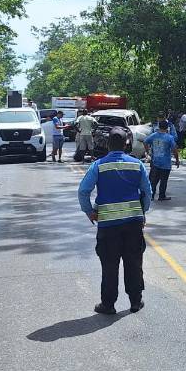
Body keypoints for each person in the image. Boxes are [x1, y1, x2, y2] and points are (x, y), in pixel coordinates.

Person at [77, 128, 151, 315]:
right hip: (133, 223)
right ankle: (135, 301)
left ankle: (108, 305)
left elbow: (83, 191)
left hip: (108, 225)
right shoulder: (137, 165)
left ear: (108, 144)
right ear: (126, 144)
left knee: (109, 265)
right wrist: (142, 212)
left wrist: (89, 212)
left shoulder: (98, 166)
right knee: (134, 262)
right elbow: (147, 192)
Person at [144, 120, 179, 201]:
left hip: (155, 162)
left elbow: (145, 142)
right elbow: (175, 150)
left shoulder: (153, 136)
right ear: (167, 128)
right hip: (166, 163)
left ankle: (151, 195)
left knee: (154, 180)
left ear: (159, 126)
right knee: (164, 180)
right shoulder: (169, 137)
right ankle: (161, 195)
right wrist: (177, 160)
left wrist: (148, 152)